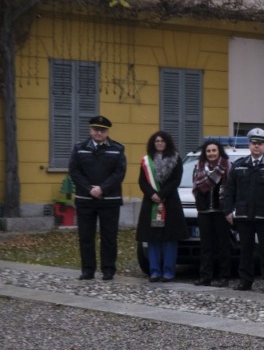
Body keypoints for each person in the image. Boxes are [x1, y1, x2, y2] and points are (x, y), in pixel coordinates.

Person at [67, 114, 127, 281]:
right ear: (90, 130)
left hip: (109, 200)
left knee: (109, 237)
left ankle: (108, 269)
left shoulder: (117, 149)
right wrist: (89, 189)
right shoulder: (79, 148)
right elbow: (74, 171)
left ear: (107, 132)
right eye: (95, 130)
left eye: (102, 130)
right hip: (85, 200)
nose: (98, 133)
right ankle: (88, 270)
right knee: (86, 236)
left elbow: (119, 173)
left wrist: (102, 188)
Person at [222, 128, 264, 293]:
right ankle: (245, 281)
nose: (257, 147)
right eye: (254, 143)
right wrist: (228, 211)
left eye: (260, 144)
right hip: (243, 215)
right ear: (249, 145)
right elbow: (229, 191)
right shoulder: (239, 165)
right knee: (245, 250)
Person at [137, 129, 186, 282]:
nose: (159, 143)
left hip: (170, 203)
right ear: (153, 143)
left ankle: (168, 272)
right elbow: (142, 181)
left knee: (169, 239)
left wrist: (162, 194)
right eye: (157, 141)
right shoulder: (146, 160)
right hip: (151, 203)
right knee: (153, 239)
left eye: (162, 141)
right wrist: (152, 194)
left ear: (167, 143)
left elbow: (176, 180)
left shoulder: (176, 159)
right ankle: (154, 271)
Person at [193, 138, 234, 286]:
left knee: (223, 246)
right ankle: (205, 277)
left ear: (219, 151)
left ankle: (224, 277)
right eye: (208, 151)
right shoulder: (198, 167)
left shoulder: (228, 166)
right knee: (206, 246)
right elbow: (196, 188)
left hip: (220, 211)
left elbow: (231, 189)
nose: (211, 153)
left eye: (214, 150)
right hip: (204, 211)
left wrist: (229, 208)